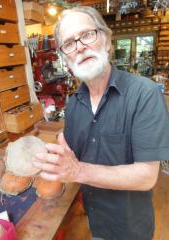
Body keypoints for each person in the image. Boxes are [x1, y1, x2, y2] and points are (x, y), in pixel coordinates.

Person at [33, 6, 169, 240]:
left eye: (86, 35)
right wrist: (59, 148)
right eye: (69, 44)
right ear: (66, 59)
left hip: (131, 230)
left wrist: (77, 170)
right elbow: (73, 151)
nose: (80, 46)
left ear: (106, 40)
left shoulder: (143, 94)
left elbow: (146, 176)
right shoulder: (74, 104)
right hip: (95, 223)